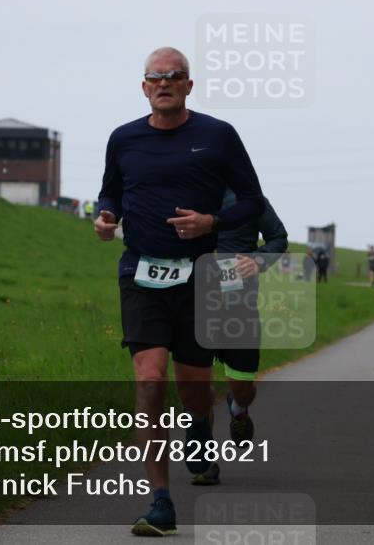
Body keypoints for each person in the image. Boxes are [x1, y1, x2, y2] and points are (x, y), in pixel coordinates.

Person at [95, 46, 264, 537]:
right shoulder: (123, 139)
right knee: (149, 379)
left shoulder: (217, 136)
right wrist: (106, 217)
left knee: (194, 387)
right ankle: (161, 501)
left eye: (174, 76)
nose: (164, 82)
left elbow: (253, 200)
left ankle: (198, 428)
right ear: (144, 86)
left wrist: (213, 220)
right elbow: (110, 191)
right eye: (155, 76)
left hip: (201, 274)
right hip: (142, 274)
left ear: (189, 85)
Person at [215, 188, 288, 446]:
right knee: (192, 383)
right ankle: (200, 458)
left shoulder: (248, 197)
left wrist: (257, 260)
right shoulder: (185, 191)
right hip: (193, 297)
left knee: (243, 389)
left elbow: (278, 237)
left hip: (238, 301)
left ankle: (238, 407)